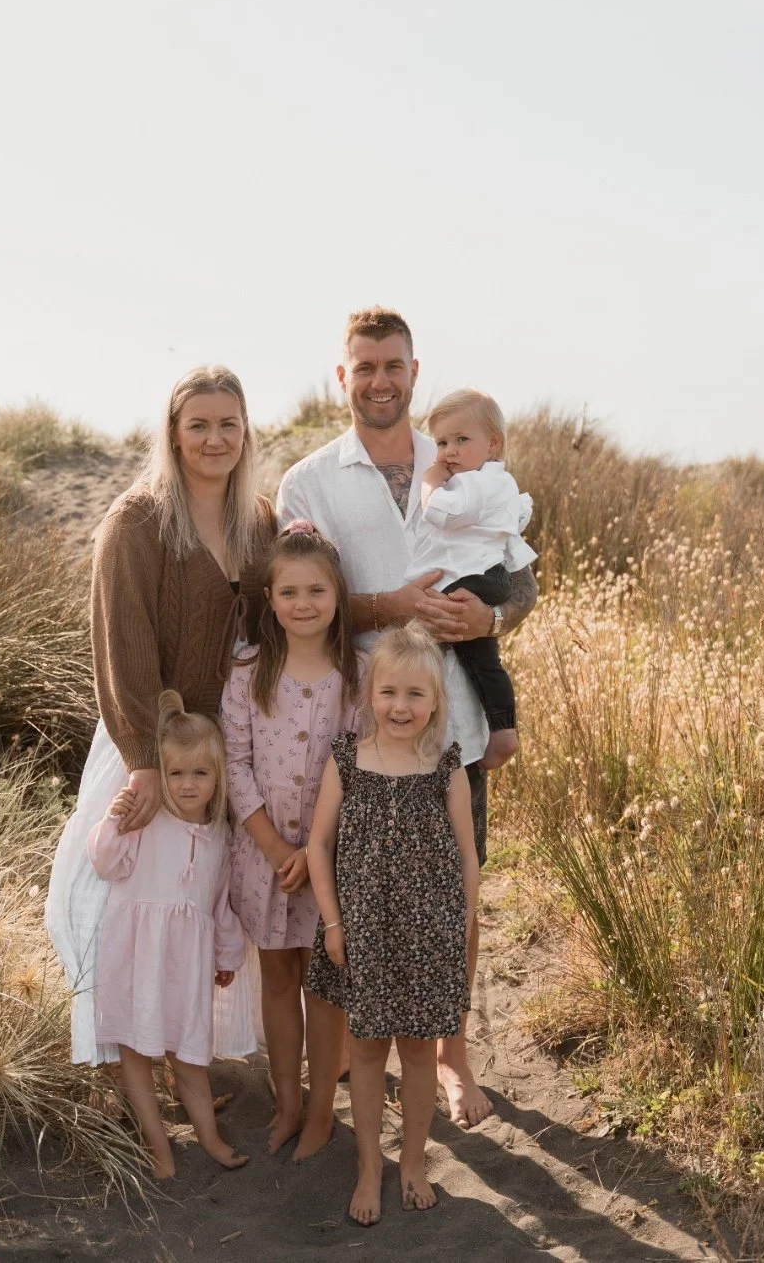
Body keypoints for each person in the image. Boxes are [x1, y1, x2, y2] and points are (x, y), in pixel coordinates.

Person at [276, 305, 538, 1130]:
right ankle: (369, 1057)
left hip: (451, 724)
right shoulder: (308, 481)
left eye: (394, 365)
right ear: (342, 376)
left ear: (414, 372)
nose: (380, 380)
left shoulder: (459, 454)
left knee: (455, 889)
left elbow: (521, 575)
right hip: (355, 730)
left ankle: (453, 1057)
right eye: (366, 366)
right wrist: (387, 605)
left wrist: (494, 623)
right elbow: (295, 600)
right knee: (364, 899)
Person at [45, 365, 277, 1069]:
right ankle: (125, 1070)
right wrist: (145, 760)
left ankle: (198, 1061)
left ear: (246, 431)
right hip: (155, 750)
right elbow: (123, 642)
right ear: (173, 434)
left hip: (232, 753)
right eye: (198, 424)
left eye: (228, 424)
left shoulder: (260, 521)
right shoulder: (138, 521)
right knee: (121, 907)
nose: (215, 438)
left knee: (206, 907)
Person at [306, 625, 480, 1225]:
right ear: (369, 695)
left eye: (414, 695)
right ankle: (368, 1168)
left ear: (435, 702)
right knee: (368, 1050)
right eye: (388, 693)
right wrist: (332, 922)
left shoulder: (444, 765)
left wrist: (461, 929)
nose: (400, 706)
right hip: (365, 932)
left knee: (419, 1052)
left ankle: (412, 1162)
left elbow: (467, 857)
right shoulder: (348, 760)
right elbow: (317, 846)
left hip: (428, 933)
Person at [220, 521, 364, 1160]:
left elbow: (363, 763)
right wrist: (279, 850)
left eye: (317, 591)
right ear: (270, 599)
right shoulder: (248, 671)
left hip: (333, 855)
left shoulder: (357, 675)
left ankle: (323, 1113)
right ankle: (285, 1102)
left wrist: (317, 851)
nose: (303, 604)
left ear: (337, 596)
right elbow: (234, 762)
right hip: (263, 854)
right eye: (289, 592)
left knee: (325, 982)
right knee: (278, 974)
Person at [87, 691, 248, 1179]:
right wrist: (115, 818)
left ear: (218, 775)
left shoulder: (220, 832)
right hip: (134, 951)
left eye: (200, 773)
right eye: (176, 773)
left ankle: (211, 1140)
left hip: (186, 961)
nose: (187, 784)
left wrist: (227, 953)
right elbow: (104, 862)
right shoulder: (146, 820)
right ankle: (159, 1147)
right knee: (136, 1049)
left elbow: (220, 904)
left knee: (187, 1054)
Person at [407, 388, 536, 771]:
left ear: (493, 443)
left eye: (462, 440)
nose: (448, 451)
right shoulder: (495, 481)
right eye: (442, 442)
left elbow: (442, 514)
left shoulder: (474, 483)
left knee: (422, 632)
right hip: (486, 573)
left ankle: (497, 729)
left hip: (477, 577)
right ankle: (502, 728)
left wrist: (430, 482)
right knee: (481, 658)